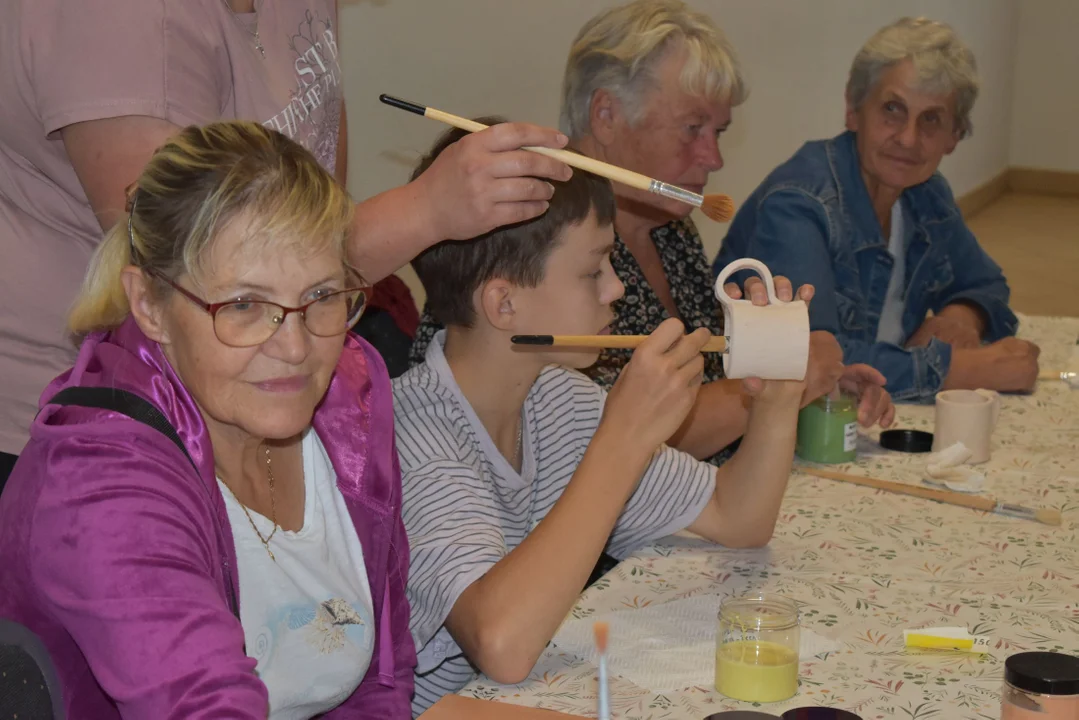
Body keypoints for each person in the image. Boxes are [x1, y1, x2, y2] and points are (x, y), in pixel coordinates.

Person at [0, 0, 571, 486]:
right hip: (83, 423)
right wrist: (429, 209)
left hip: (232, 399)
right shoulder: (115, 21)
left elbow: (317, 214)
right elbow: (195, 266)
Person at [0, 122, 414, 718]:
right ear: (149, 305)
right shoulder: (99, 482)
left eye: (321, 296)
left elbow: (383, 678)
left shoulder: (351, 393)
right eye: (245, 306)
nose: (296, 347)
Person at [395, 125, 810, 714]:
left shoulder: (558, 397)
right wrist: (623, 438)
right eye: (594, 270)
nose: (616, 287)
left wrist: (775, 396)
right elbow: (502, 644)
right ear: (504, 303)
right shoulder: (414, 436)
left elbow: (738, 517)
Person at [409, 0, 893, 465]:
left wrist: (809, 383)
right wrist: (782, 380)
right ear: (606, 116)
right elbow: (596, 447)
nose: (714, 158)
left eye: (718, 132)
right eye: (691, 128)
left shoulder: (670, 230)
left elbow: (714, 378)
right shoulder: (524, 230)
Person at [714, 17, 1039, 402]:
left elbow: (985, 284)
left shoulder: (927, 194)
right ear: (853, 110)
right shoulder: (799, 203)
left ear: (954, 136)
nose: (908, 138)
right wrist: (962, 369)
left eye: (931, 119)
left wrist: (961, 316)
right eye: (892, 109)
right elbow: (809, 356)